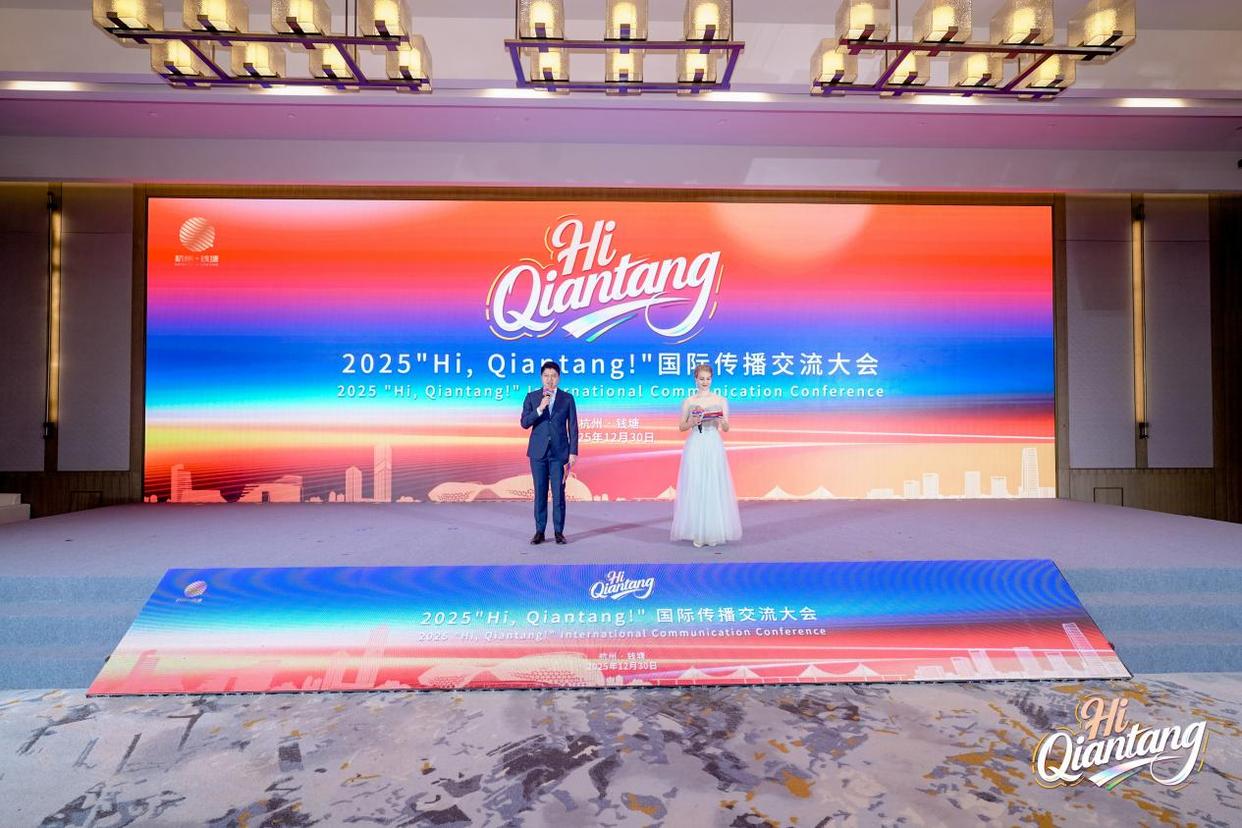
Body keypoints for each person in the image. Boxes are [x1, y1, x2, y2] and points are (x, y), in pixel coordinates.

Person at [671, 363, 742, 548]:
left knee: (713, 485)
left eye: (708, 378)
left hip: (713, 444)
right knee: (696, 485)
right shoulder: (688, 401)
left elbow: (726, 428)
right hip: (695, 443)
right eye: (701, 378)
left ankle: (713, 532)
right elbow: (681, 426)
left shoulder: (720, 400)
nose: (705, 382)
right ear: (695, 379)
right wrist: (693, 421)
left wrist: (721, 421)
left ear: (712, 379)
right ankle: (697, 532)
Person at [520, 360, 578, 545]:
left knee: (559, 494)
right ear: (541, 377)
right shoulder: (532, 397)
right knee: (540, 493)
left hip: (559, 454)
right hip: (538, 453)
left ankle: (559, 532)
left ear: (558, 378)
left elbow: (573, 427)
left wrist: (573, 452)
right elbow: (524, 423)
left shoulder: (567, 398)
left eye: (553, 376)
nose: (550, 379)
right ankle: (540, 531)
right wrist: (540, 408)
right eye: (546, 376)